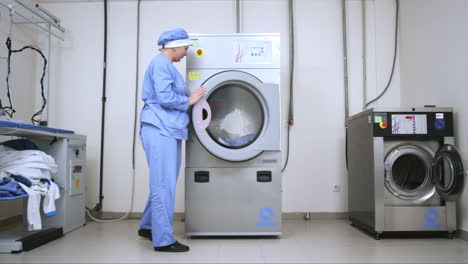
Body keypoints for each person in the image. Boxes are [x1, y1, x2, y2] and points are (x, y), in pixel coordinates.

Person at [138, 28, 206, 253]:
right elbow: (166, 98)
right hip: (160, 129)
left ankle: (148, 226)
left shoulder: (167, 67)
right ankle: (163, 239)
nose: (187, 53)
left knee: (162, 182)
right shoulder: (160, 64)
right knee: (163, 185)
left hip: (167, 129)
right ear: (174, 46)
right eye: (185, 48)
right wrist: (189, 100)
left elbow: (169, 97)